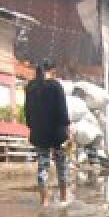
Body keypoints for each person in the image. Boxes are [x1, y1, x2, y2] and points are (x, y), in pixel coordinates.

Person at [24, 59, 70, 206]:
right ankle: (64, 199)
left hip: (40, 133)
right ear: (52, 71)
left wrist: (32, 126)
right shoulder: (56, 86)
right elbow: (62, 111)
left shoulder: (30, 87)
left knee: (43, 166)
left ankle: (44, 200)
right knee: (61, 166)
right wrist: (67, 129)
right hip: (57, 133)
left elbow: (28, 111)